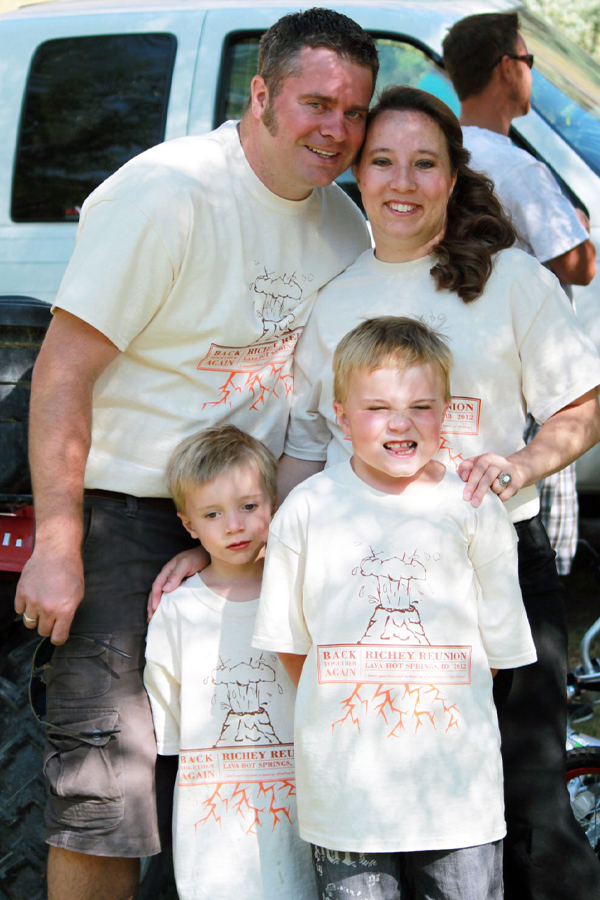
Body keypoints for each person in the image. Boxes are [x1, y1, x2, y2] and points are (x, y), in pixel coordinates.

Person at [14, 9, 378, 899]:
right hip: (120, 512)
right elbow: (63, 371)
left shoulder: (345, 228)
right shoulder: (169, 192)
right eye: (315, 102)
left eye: (354, 111)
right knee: (107, 781)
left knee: (235, 774)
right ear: (261, 95)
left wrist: (249, 537)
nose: (335, 129)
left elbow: (308, 409)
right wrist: (61, 544)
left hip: (248, 520)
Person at [281, 86, 600, 900]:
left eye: (425, 162)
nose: (402, 180)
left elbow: (582, 403)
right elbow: (310, 449)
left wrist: (520, 465)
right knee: (398, 792)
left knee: (527, 788)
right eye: (382, 160)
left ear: (455, 176)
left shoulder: (512, 280)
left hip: (496, 565)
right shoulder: (337, 299)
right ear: (356, 173)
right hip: (371, 584)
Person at [253, 316, 537, 900]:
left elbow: (501, 652)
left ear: (448, 411)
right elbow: (290, 644)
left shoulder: (473, 508)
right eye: (377, 406)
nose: (401, 423)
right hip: (349, 795)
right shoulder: (306, 511)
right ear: (340, 415)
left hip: (457, 795)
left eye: (421, 406)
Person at [442, 11, 597, 576]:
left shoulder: (439, 155)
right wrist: (574, 219)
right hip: (528, 384)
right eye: (529, 62)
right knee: (540, 541)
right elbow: (578, 265)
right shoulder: (517, 166)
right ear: (508, 69)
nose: (529, 73)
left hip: (460, 375)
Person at [144, 424, 314, 900]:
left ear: (274, 505)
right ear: (189, 525)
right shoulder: (177, 609)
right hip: (213, 826)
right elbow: (168, 714)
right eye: (213, 514)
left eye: (248, 507)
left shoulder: (299, 594)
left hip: (299, 812)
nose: (234, 525)